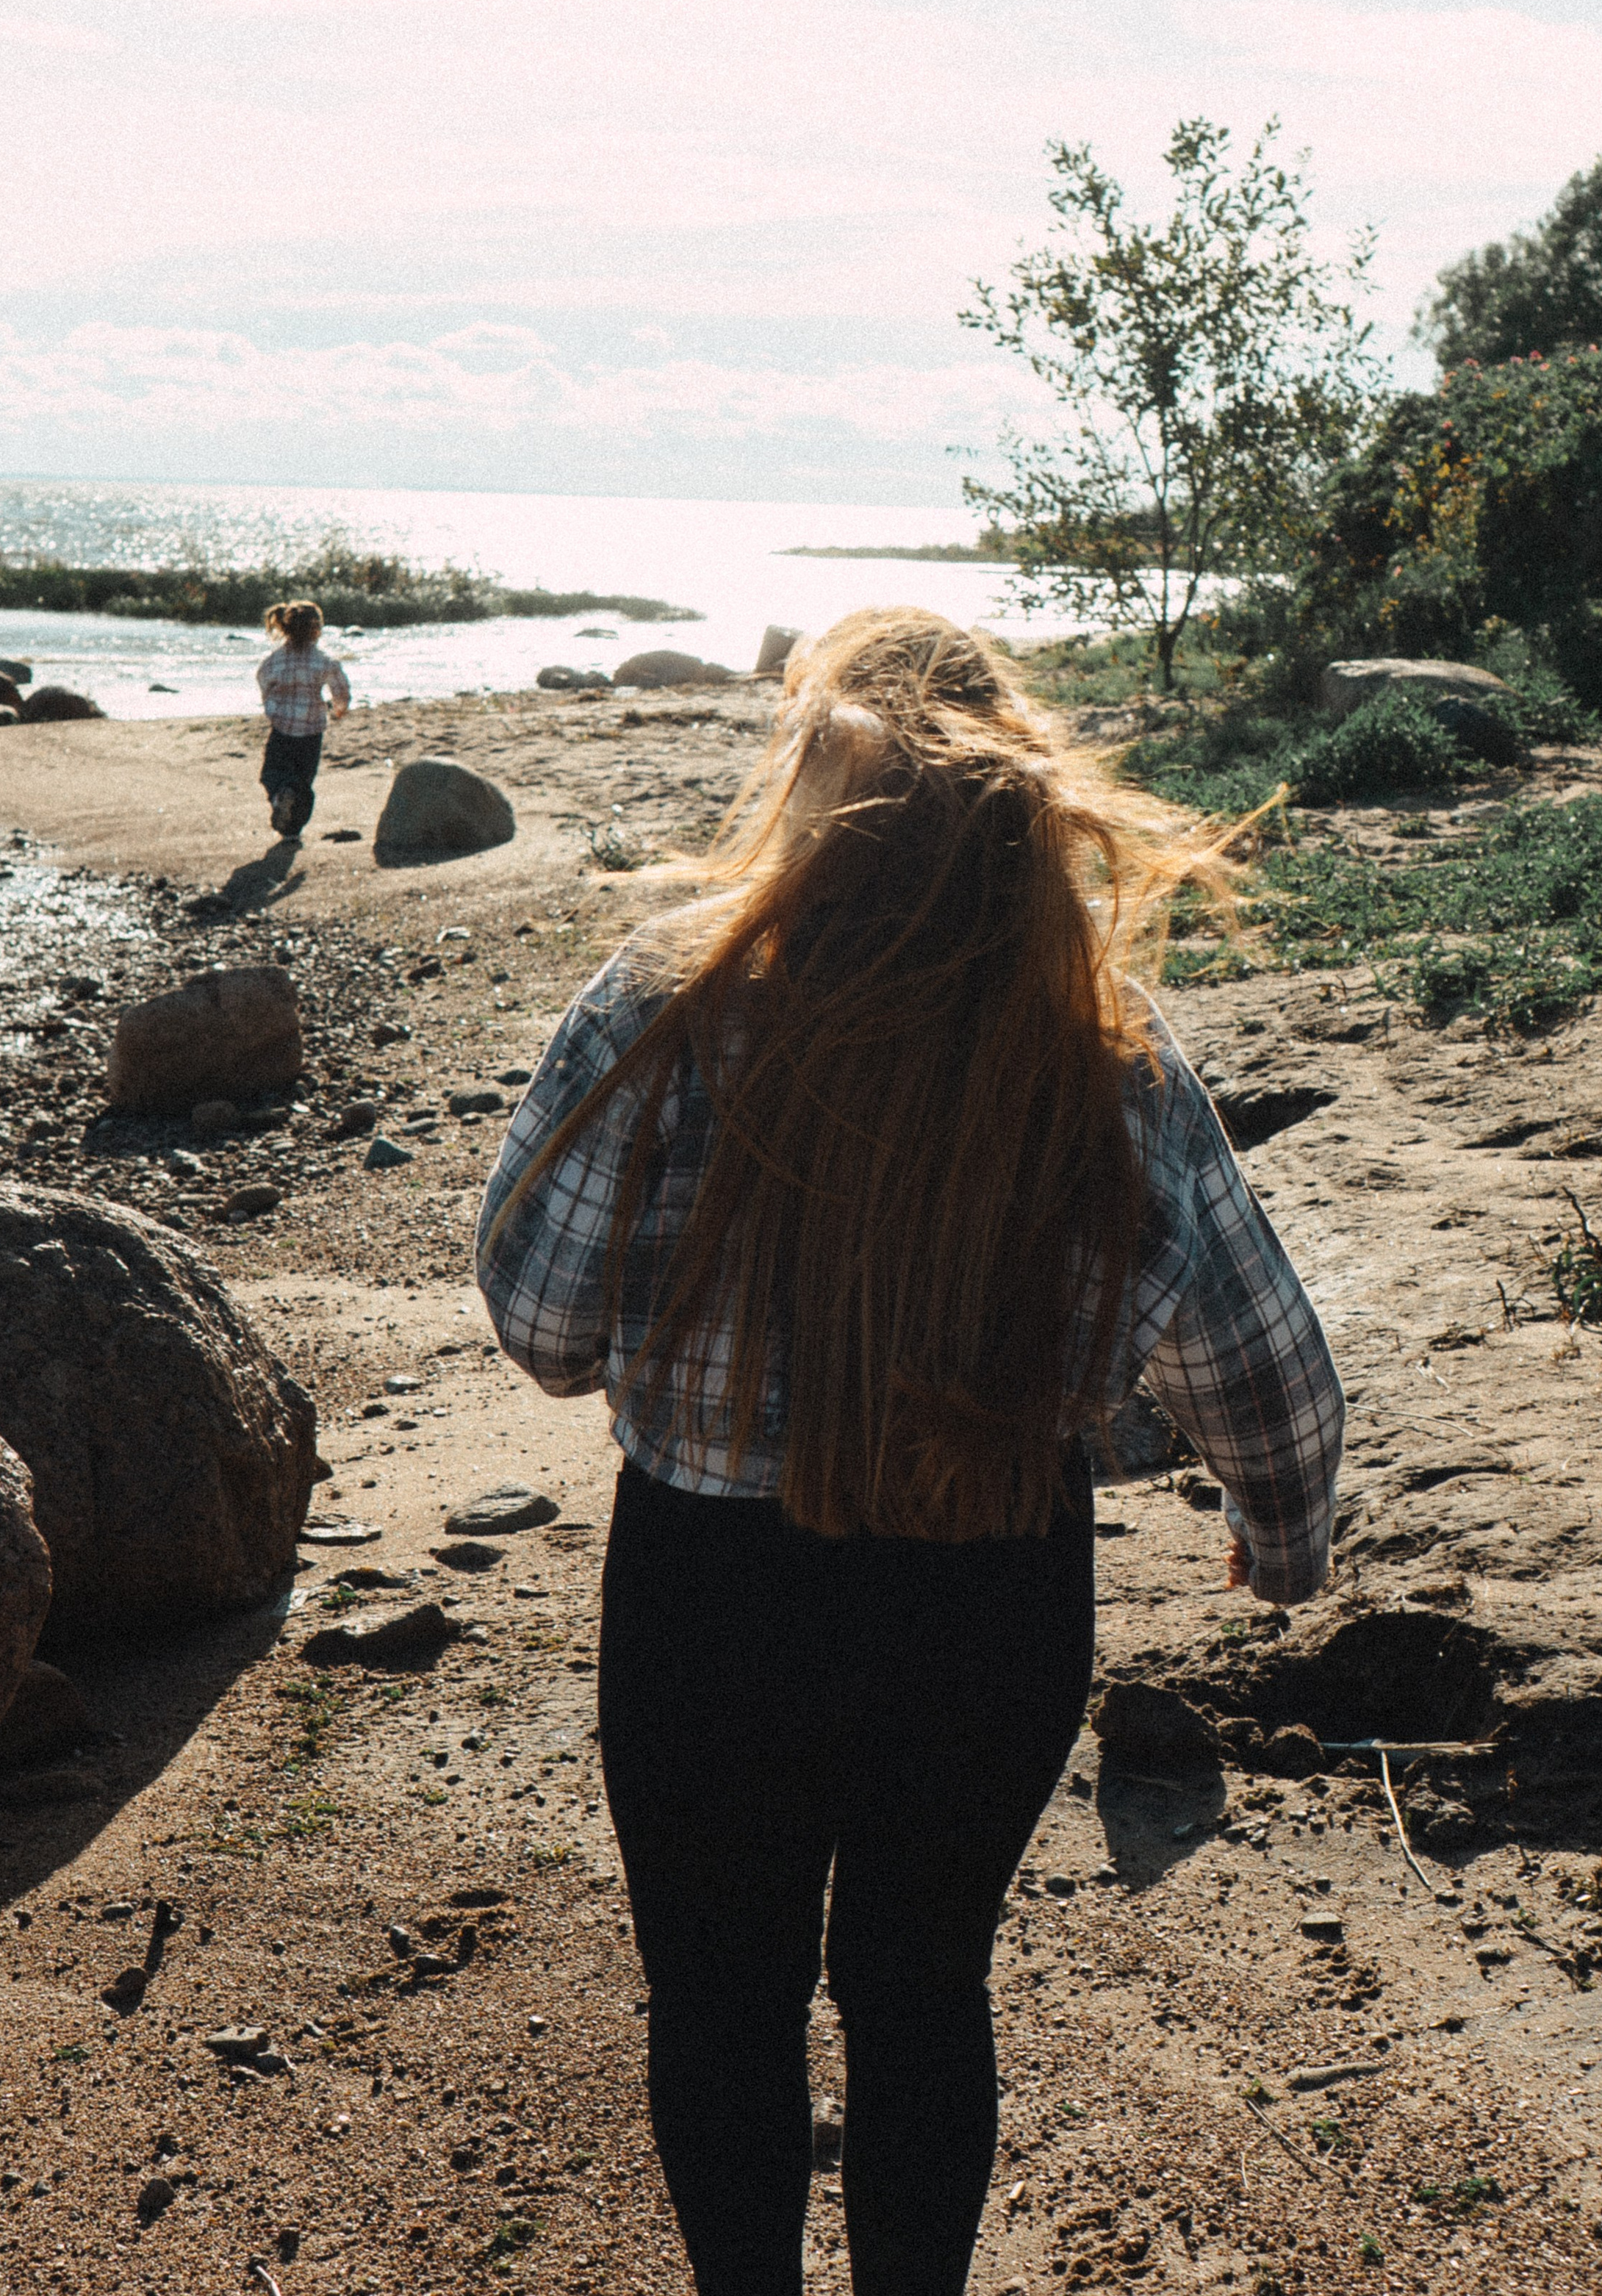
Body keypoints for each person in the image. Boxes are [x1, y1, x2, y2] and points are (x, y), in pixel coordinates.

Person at [475, 609, 1343, 2296]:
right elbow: (1263, 1366)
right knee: (923, 1987)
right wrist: (1280, 1533)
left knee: (719, 2000)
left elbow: (542, 1326)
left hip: (707, 1600)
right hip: (989, 1592)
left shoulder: (668, 1000)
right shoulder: (1099, 1042)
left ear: (806, 787)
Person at [255, 598, 351, 842]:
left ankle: (280, 798)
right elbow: (341, 690)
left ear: (284, 628)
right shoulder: (324, 660)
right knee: (303, 780)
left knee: (272, 774)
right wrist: (339, 709)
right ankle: (292, 830)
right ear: (317, 630)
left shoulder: (275, 660)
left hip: (282, 729)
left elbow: (263, 681)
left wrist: (272, 704)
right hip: (311, 731)